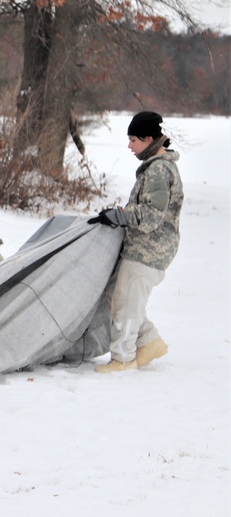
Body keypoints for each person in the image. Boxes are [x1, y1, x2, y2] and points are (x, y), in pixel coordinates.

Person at [88, 111, 183, 373]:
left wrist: (120, 216)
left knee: (126, 304)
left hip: (149, 251)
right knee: (117, 297)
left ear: (148, 138)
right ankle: (148, 343)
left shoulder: (159, 171)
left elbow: (152, 215)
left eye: (133, 140)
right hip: (141, 249)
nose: (129, 146)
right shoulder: (154, 168)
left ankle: (123, 359)